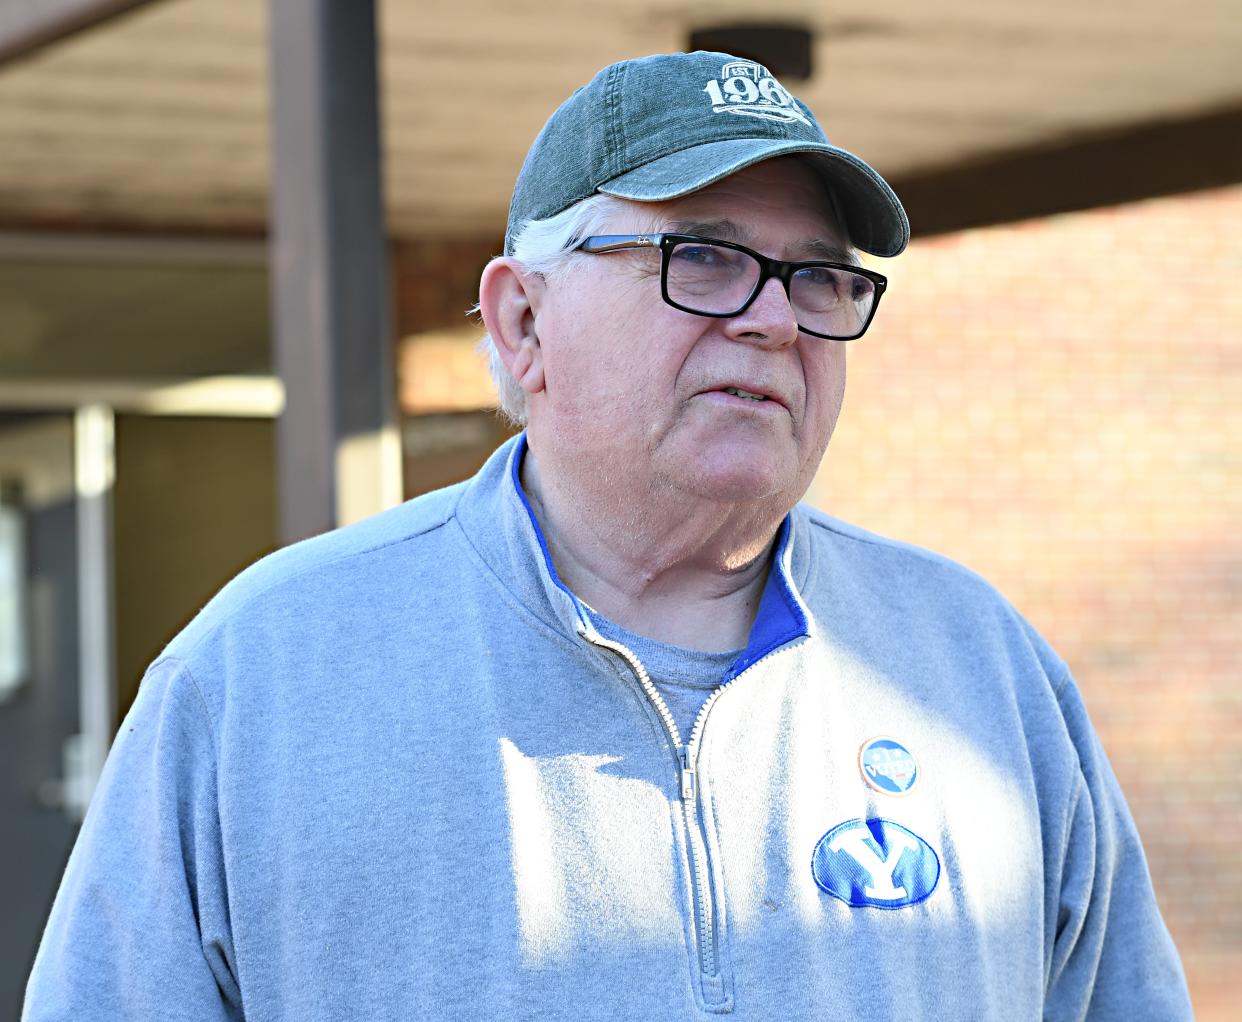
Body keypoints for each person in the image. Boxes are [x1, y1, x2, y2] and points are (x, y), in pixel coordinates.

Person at [25, 51, 1191, 1020]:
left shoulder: (977, 666)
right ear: (522, 319)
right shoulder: (265, 677)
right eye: (709, 258)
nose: (778, 317)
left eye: (820, 276)